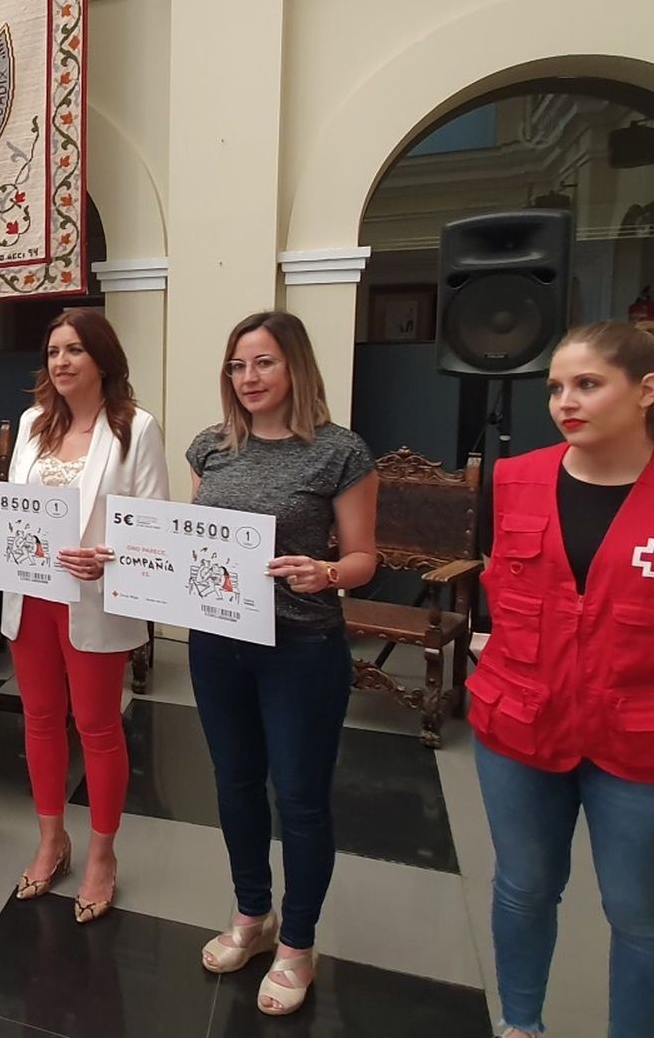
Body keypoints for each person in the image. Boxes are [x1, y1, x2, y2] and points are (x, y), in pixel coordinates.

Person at [0, 309, 169, 923]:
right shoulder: (35, 423)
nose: (61, 362)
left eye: (75, 351)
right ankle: (51, 839)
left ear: (103, 360)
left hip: (94, 599)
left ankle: (102, 855)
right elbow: (11, 513)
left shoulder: (135, 428)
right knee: (40, 720)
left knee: (97, 726)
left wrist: (108, 558)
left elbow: (155, 526)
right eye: (53, 351)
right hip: (30, 595)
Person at [186, 310, 378, 1017]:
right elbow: (196, 537)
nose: (249, 378)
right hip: (217, 644)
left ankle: (297, 942)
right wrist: (140, 556)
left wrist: (326, 573)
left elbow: (364, 558)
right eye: (238, 366)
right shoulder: (212, 447)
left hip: (301, 648)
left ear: (295, 365)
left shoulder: (339, 452)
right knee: (235, 783)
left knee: (298, 798)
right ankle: (252, 915)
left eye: (263, 363)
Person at [471, 321, 654, 1038]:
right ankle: (521, 1024)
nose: (565, 402)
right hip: (519, 720)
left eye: (587, 384)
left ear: (645, 391)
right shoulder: (515, 478)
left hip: (635, 738)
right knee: (523, 887)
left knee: (636, 912)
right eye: (555, 388)